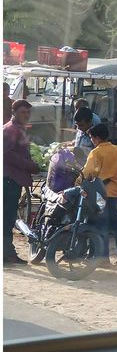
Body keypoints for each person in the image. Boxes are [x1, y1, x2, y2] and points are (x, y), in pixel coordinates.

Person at [81, 122, 117, 267]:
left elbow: (87, 172)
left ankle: (105, 259)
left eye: (92, 138)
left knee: (102, 225)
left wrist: (77, 182)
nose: (91, 141)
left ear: (97, 138)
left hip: (99, 193)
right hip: (114, 192)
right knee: (116, 226)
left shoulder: (95, 152)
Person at [3, 99, 41, 265]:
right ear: (15, 112)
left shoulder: (17, 129)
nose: (26, 115)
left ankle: (7, 252)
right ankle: (7, 254)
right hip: (9, 179)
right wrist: (29, 166)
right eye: (23, 112)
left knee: (8, 217)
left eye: (28, 112)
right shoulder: (11, 129)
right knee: (7, 218)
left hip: (13, 179)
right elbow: (7, 154)